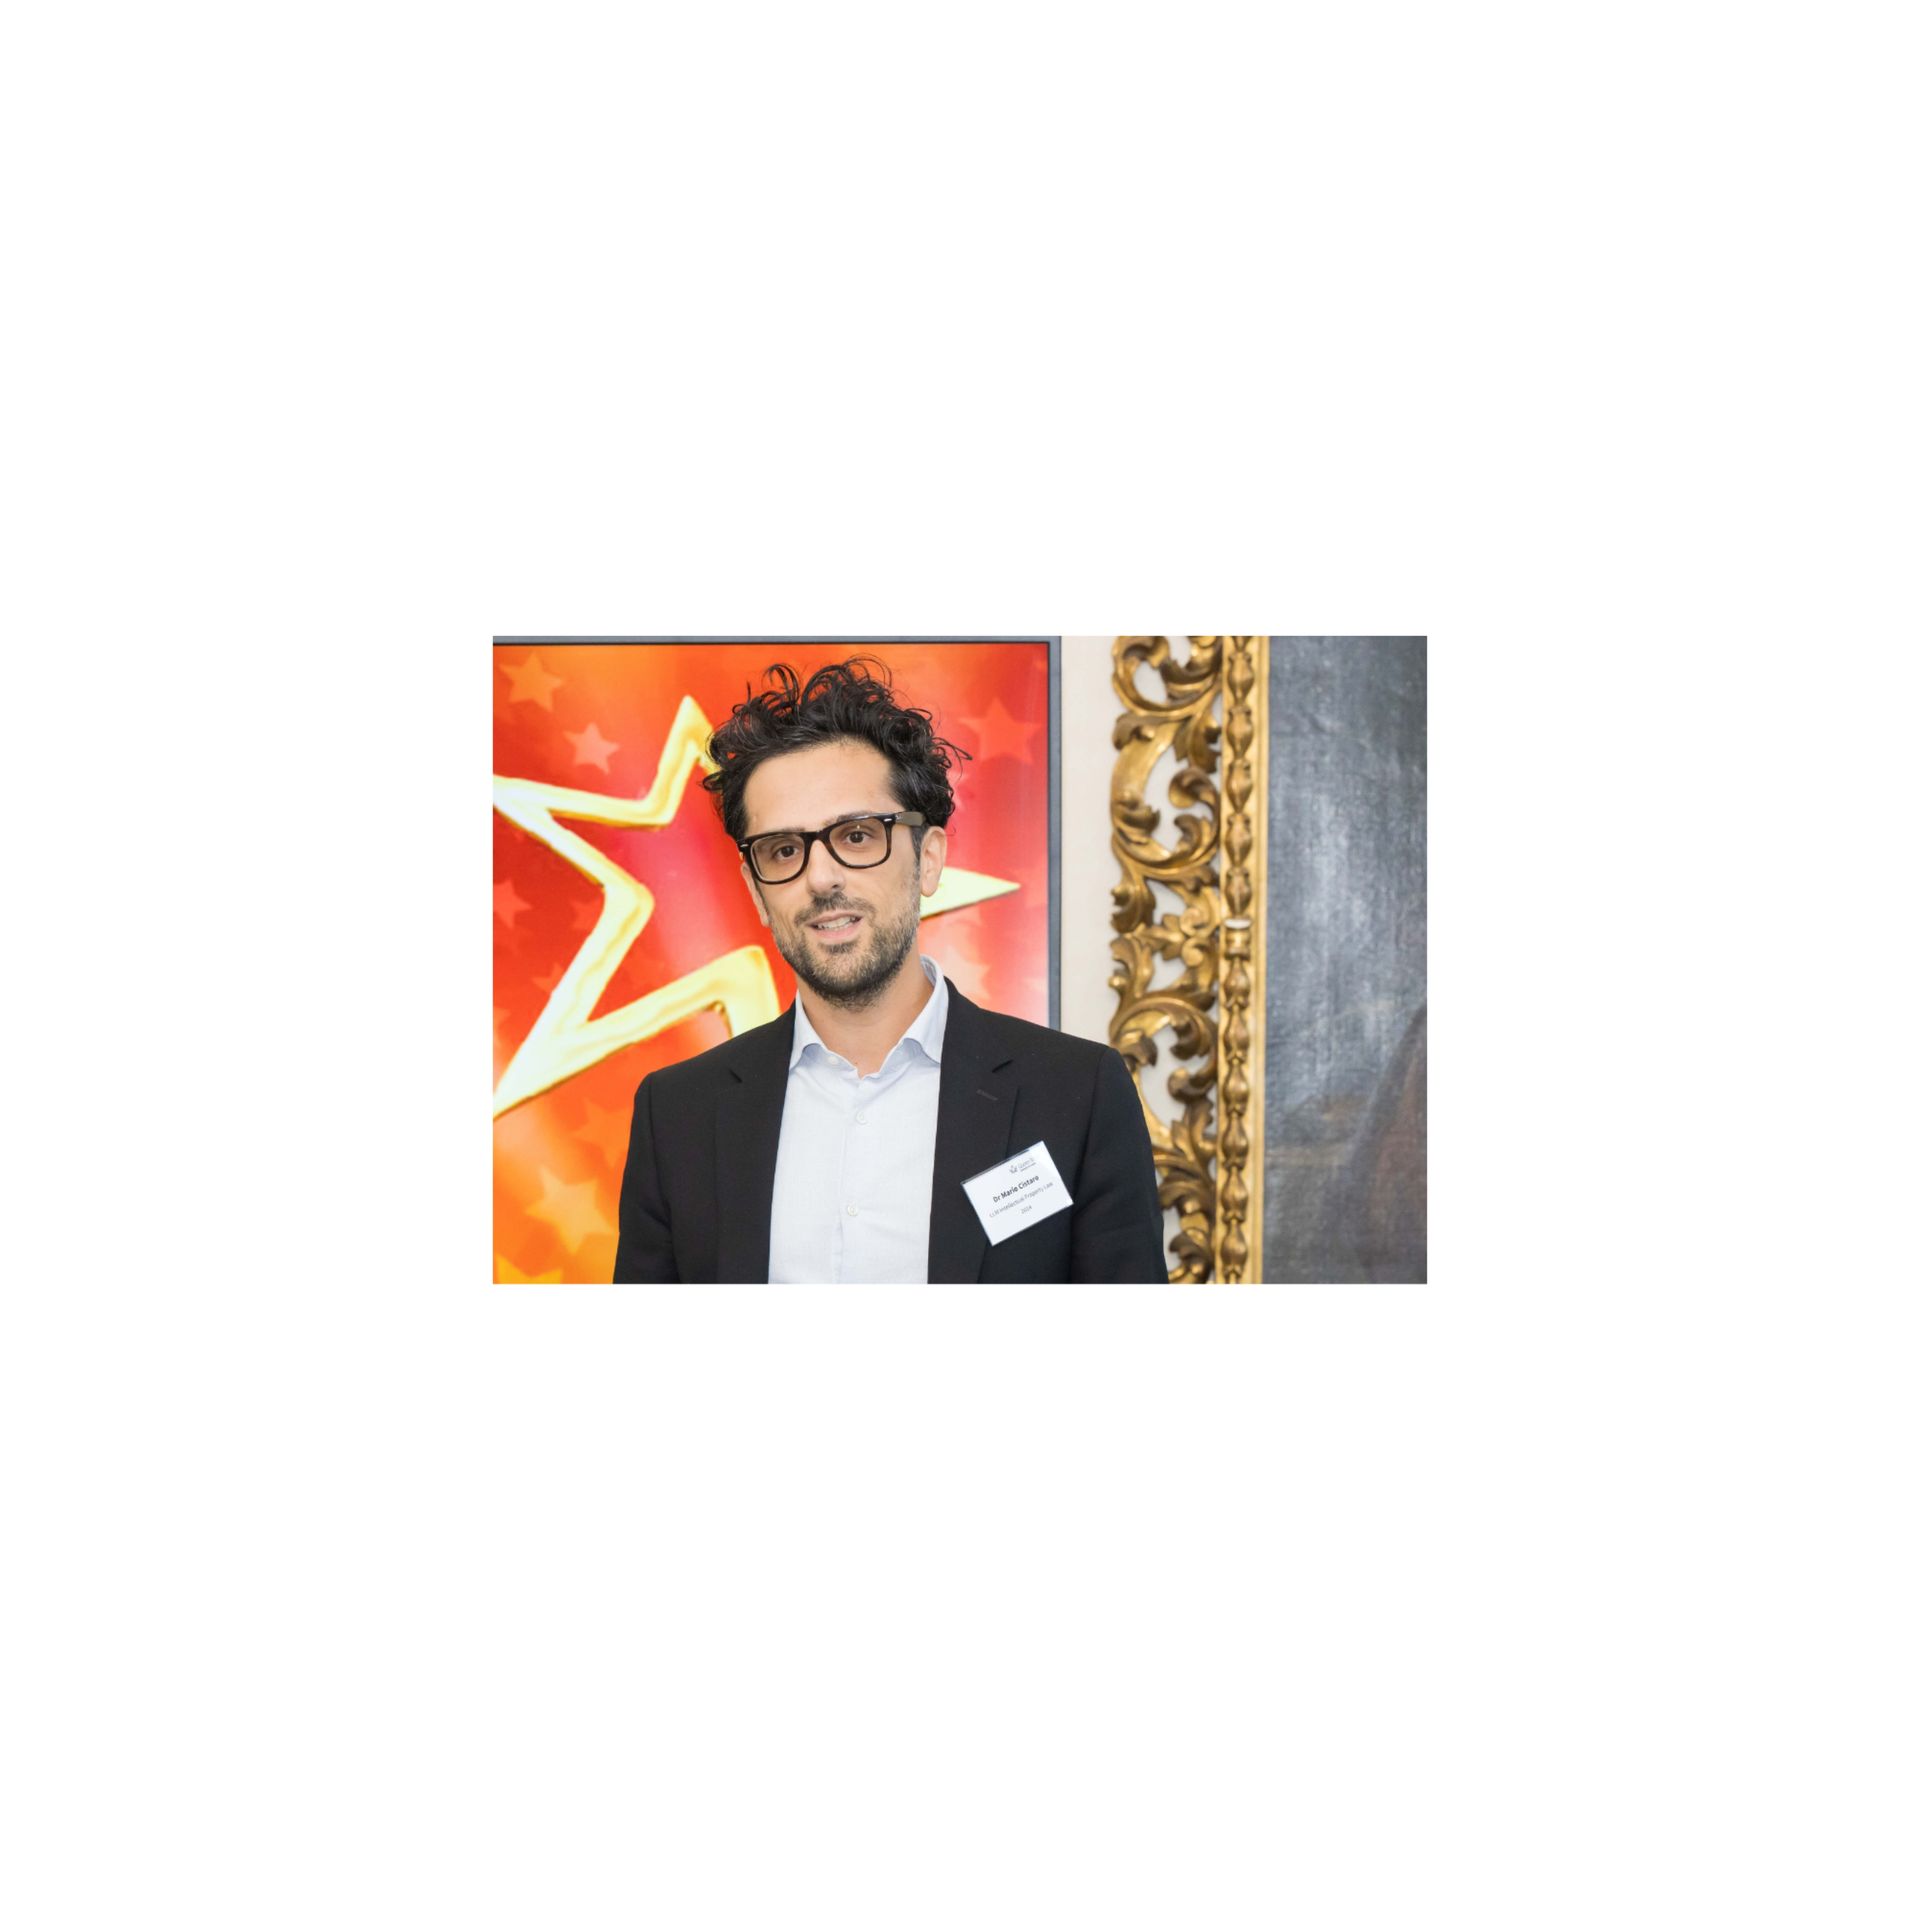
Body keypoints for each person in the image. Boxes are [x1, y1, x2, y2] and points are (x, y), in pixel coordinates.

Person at [612, 658, 1167, 1283]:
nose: (820, 878)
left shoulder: (1078, 1095)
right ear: (756, 891)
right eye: (784, 850)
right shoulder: (678, 1114)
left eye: (855, 836)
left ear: (928, 860)